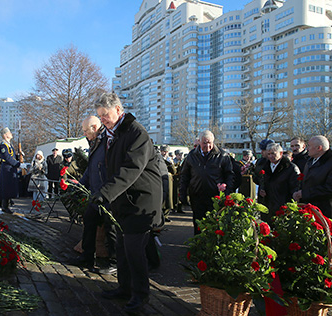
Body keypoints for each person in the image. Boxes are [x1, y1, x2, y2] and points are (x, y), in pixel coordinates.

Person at [92, 92, 162, 313]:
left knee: (134, 249)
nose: (102, 119)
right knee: (122, 247)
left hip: (141, 201)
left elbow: (131, 169)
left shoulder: (136, 133)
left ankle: (140, 295)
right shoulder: (113, 133)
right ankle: (124, 288)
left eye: (105, 114)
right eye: (99, 115)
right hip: (123, 200)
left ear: (119, 110)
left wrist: (105, 193)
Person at [72, 116, 117, 274]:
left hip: (107, 194)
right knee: (89, 222)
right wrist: (81, 184)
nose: (84, 133)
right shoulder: (94, 142)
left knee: (111, 228)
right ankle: (87, 256)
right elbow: (91, 168)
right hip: (95, 194)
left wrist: (107, 191)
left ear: (95, 127)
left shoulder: (108, 141)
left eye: (86, 130)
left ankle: (114, 261)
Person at [179, 130, 234, 235]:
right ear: (199, 142)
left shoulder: (222, 155)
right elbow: (184, 176)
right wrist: (182, 193)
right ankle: (198, 246)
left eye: (210, 143)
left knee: (214, 223)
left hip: (215, 197)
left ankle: (211, 249)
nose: (207, 146)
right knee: (198, 223)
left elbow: (229, 175)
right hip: (197, 195)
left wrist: (227, 190)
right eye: (204, 143)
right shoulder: (191, 156)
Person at [293, 135, 332, 229]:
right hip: (311, 211)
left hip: (327, 213)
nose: (307, 148)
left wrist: (305, 193)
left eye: (309, 146)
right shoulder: (310, 161)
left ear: (319, 148)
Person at [259, 143, 300, 224]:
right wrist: (262, 189)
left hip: (283, 205)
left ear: (281, 153)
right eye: (269, 154)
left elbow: (295, 187)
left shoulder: (290, 167)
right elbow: (261, 180)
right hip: (268, 205)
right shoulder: (265, 166)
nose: (270, 156)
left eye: (273, 154)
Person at [0, 127, 27, 214]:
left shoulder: (9, 145)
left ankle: (7, 205)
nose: (11, 134)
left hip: (11, 168)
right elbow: (7, 158)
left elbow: (12, 156)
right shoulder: (3, 145)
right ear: (5, 135)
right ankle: (5, 206)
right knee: (6, 187)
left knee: (9, 187)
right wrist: (19, 164)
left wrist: (19, 156)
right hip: (7, 168)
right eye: (9, 132)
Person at [253, 139, 274, 205]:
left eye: (263, 150)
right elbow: (256, 177)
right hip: (262, 193)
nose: (261, 152)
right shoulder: (260, 162)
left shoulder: (278, 162)